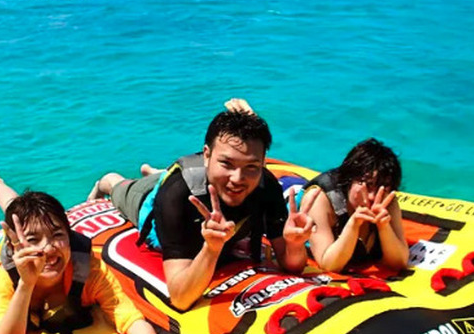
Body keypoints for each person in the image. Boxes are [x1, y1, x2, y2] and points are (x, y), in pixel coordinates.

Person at [0, 175, 190, 334]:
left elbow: (127, 315)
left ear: (69, 236)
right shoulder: (1, 276)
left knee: (24, 213)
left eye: (58, 235)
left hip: (20, 238)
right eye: (34, 240)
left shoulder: (87, 269)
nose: (48, 249)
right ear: (14, 245)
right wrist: (25, 284)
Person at [88, 100, 315, 311]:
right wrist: (211, 249)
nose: (238, 178)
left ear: (263, 163)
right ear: (207, 155)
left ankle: (155, 172)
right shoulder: (177, 196)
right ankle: (111, 181)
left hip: (202, 178)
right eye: (227, 163)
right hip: (149, 199)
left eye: (251, 167)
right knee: (121, 189)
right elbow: (180, 298)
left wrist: (295, 244)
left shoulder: (266, 186)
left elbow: (292, 265)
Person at [298, 138, 409, 273]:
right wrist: (353, 225)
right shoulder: (320, 199)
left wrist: (383, 226)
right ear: (349, 180)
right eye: (368, 184)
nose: (372, 196)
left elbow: (400, 263)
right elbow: (328, 265)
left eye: (382, 186)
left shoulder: (386, 198)